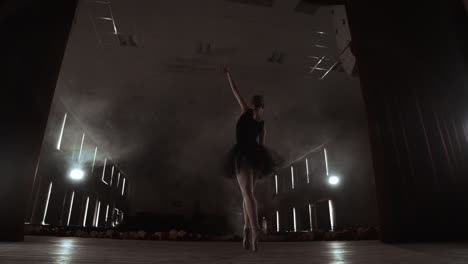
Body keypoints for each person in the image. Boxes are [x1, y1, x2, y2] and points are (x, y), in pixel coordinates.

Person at [223, 66, 279, 252]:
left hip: (247, 156)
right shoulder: (257, 120)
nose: (257, 108)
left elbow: (236, 91)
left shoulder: (251, 115)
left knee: (247, 194)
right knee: (248, 194)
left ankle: (253, 230)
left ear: (259, 106)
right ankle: (249, 229)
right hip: (253, 156)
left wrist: (228, 74)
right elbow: (236, 91)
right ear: (260, 106)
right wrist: (229, 75)